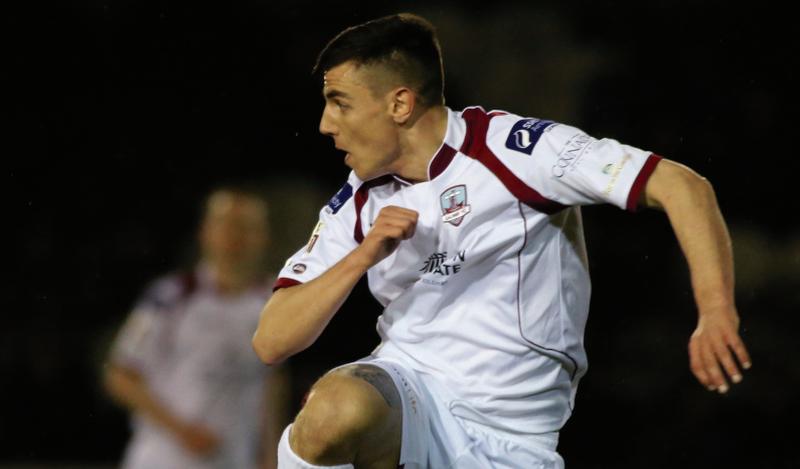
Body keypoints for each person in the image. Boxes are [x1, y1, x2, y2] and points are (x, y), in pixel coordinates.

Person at [251, 13, 751, 469]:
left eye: (340, 103)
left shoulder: (515, 152)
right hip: (410, 402)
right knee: (335, 408)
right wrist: (362, 257)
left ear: (399, 103)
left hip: (513, 437)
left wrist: (714, 311)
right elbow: (272, 340)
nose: (325, 124)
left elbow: (682, 185)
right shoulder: (361, 200)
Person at [105, 186, 289, 469]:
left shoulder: (275, 301)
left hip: (235, 461)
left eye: (246, 226)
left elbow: (272, 381)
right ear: (205, 232)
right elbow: (120, 375)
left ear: (264, 237)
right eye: (226, 224)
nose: (234, 236)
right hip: (163, 461)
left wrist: (272, 453)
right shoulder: (170, 297)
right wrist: (182, 431)